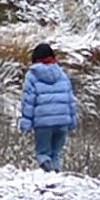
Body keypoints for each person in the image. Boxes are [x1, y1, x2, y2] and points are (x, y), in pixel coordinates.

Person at [18, 41, 77, 172]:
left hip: (43, 123)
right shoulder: (62, 75)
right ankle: (55, 176)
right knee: (56, 154)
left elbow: (28, 101)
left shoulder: (32, 75)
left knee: (42, 154)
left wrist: (26, 123)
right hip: (62, 122)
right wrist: (72, 122)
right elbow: (70, 100)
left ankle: (48, 174)